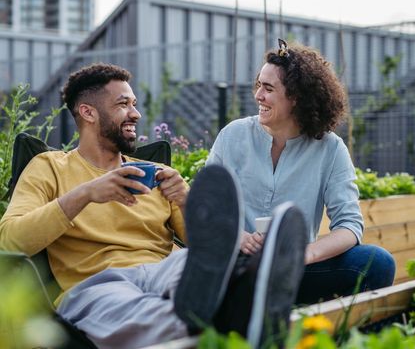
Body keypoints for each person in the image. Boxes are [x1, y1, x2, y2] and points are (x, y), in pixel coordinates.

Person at [0, 63, 307, 349]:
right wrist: (85, 194)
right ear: (88, 112)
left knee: (192, 266)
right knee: (147, 314)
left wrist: (185, 199)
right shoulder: (49, 167)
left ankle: (244, 285)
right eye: (123, 104)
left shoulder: (153, 172)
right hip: (97, 283)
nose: (135, 114)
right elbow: (11, 239)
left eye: (134, 104)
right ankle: (240, 312)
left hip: (165, 269)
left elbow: (200, 246)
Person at [206, 39, 396, 304]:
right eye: (258, 85)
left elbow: (350, 227)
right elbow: (206, 207)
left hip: (296, 271)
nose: (258, 95)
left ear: (296, 98)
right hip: (235, 265)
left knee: (378, 263)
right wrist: (238, 237)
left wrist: (304, 254)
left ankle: (345, 342)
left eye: (268, 88)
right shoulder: (232, 136)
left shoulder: (330, 149)